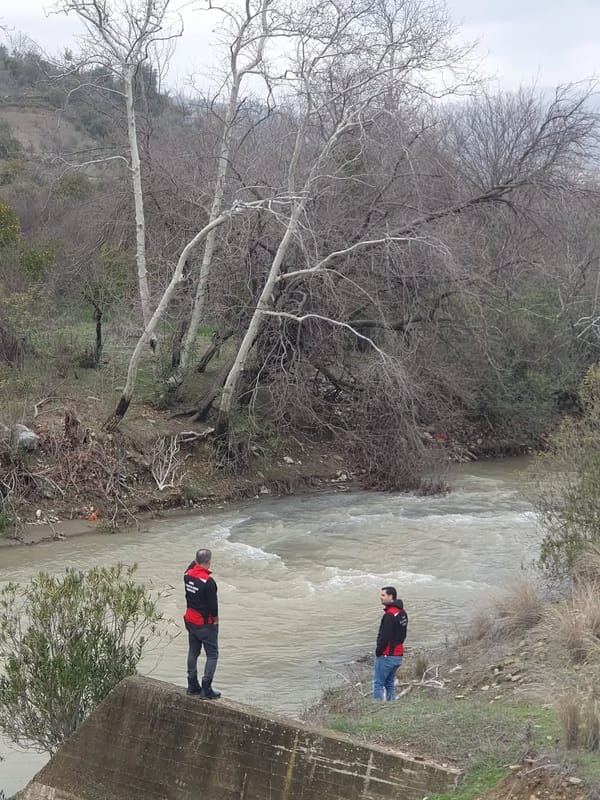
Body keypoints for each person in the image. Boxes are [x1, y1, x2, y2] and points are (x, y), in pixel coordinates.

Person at [183, 548, 221, 699]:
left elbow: (190, 566)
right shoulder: (209, 582)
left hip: (190, 620)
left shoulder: (187, 575)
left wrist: (197, 560)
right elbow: (213, 606)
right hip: (205, 624)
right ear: (209, 562)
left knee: (193, 651)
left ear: (196, 561)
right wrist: (216, 621)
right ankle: (206, 688)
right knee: (212, 655)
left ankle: (192, 685)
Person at [373, 586, 408, 701]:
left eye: (383, 595)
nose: (380, 597)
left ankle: (376, 706)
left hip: (387, 655)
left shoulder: (389, 615)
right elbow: (403, 634)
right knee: (389, 683)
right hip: (398, 654)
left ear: (391, 597)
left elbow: (384, 637)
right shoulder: (402, 613)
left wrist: (378, 652)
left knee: (378, 683)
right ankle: (392, 705)